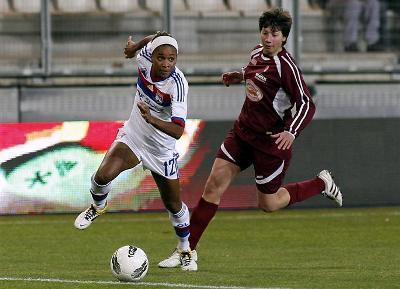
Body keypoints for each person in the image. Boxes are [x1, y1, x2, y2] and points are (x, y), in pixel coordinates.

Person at [158, 7, 343, 270]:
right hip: (242, 133)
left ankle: (320, 183)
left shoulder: (286, 67)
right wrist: (239, 75)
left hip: (269, 144)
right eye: (265, 32)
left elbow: (306, 103)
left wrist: (291, 131)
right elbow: (255, 71)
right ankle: (187, 250)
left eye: (274, 34)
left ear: (284, 38)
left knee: (268, 203)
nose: (268, 38)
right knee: (213, 187)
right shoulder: (257, 52)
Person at [73, 31, 197, 271]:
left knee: (173, 204)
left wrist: (152, 119)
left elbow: (178, 130)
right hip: (134, 137)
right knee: (101, 177)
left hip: (161, 149)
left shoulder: (178, 84)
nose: (166, 64)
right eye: (161, 58)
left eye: (172, 59)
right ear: (152, 57)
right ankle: (98, 206)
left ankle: (185, 249)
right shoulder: (144, 56)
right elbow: (157, 36)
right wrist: (134, 47)